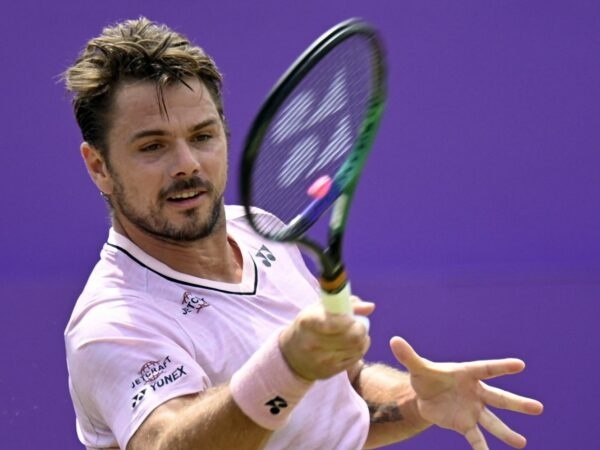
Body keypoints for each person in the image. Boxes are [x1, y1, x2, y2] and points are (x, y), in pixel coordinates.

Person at [63, 17, 543, 450]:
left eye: (203, 136)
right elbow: (168, 443)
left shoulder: (265, 232)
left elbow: (338, 396)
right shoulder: (111, 323)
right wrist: (287, 366)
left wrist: (415, 403)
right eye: (153, 146)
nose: (187, 164)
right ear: (100, 166)